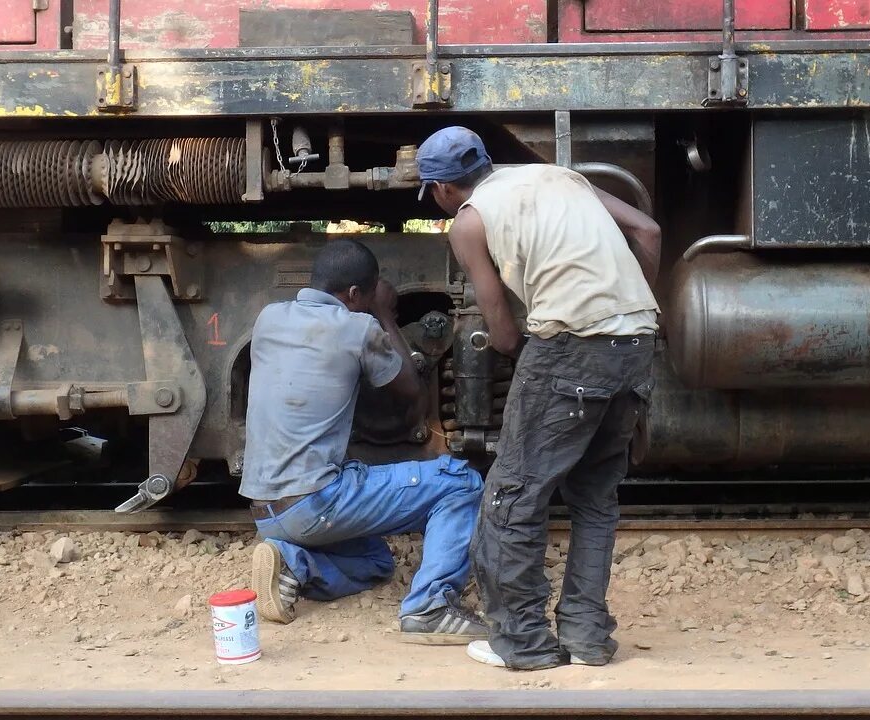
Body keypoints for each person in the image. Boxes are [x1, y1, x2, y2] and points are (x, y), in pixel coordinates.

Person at [417, 127, 661, 669]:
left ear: (441, 189)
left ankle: (523, 644)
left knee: (512, 499)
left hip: (570, 344)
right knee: (595, 498)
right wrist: (625, 317)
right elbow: (647, 232)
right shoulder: (562, 176)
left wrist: (530, 350)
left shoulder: (469, 220)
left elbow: (501, 332)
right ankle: (586, 638)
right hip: (638, 340)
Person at [243, 238, 488, 645]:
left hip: (266, 511)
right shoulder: (357, 327)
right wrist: (385, 315)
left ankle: (293, 563)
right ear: (355, 294)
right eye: (368, 296)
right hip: (314, 503)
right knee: (461, 482)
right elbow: (410, 388)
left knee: (376, 562)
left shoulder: (269, 318)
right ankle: (431, 607)